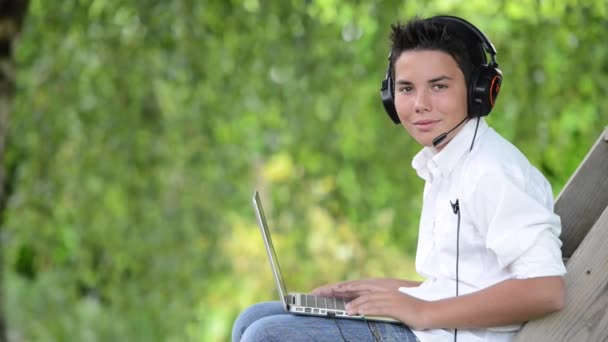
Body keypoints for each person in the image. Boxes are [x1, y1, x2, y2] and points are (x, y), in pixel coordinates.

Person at [232, 15, 566, 342]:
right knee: (253, 318)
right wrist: (386, 290)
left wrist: (420, 311)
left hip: (451, 335)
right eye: (406, 88)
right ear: (391, 97)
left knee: (267, 334)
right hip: (434, 328)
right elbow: (464, 282)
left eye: (439, 86)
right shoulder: (447, 162)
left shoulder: (492, 170)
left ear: (479, 90)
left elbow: (545, 289)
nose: (420, 104)